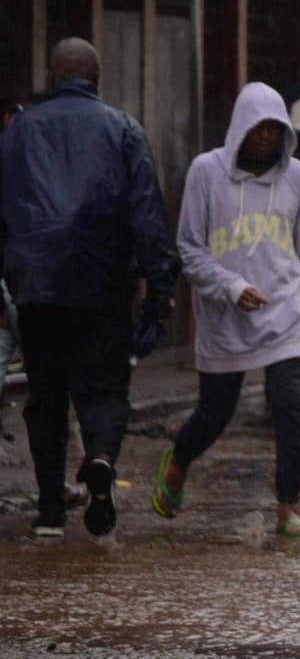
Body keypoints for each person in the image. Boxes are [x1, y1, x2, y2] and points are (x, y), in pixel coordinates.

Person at [0, 39, 177, 538]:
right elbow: (148, 218)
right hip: (101, 287)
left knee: (46, 395)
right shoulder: (123, 130)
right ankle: (99, 460)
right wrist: (158, 295)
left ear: (52, 78)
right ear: (97, 80)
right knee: (103, 390)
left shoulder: (17, 132)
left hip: (34, 287)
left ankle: (51, 508)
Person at [152, 83, 300, 537]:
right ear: (240, 130)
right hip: (225, 320)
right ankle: (181, 456)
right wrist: (230, 287)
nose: (266, 139)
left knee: (291, 409)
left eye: (274, 131)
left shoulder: (299, 179)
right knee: (215, 413)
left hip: (285, 316)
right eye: (258, 130)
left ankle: (288, 505)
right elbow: (189, 250)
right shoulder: (205, 173)